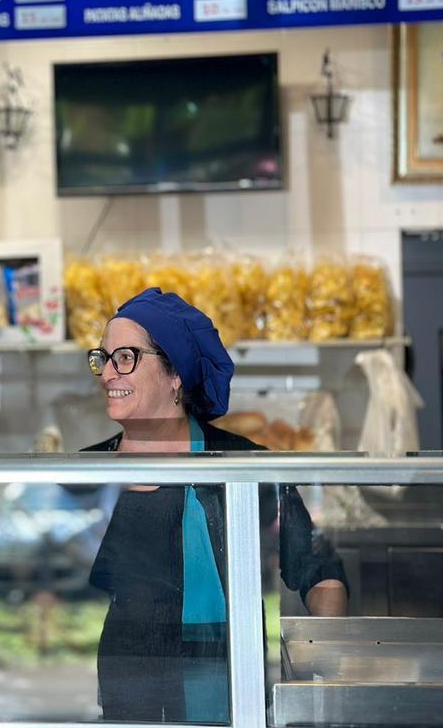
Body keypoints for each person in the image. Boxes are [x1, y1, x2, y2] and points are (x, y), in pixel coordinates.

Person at [83, 288, 347, 723]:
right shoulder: (87, 474)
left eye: (125, 357)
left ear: (175, 376)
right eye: (102, 358)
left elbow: (320, 570)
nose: (107, 373)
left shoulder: (239, 466)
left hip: (227, 700)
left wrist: (330, 685)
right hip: (120, 702)